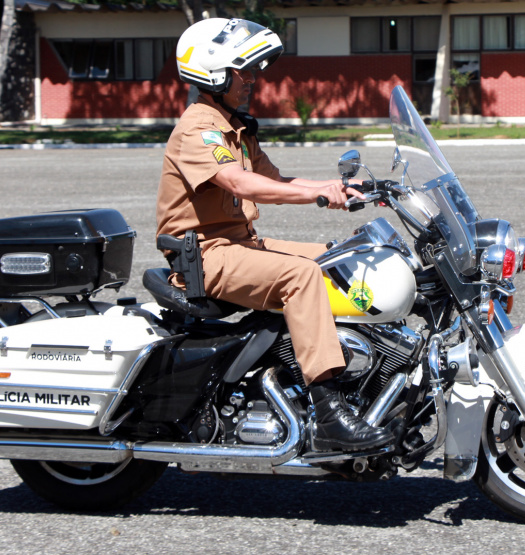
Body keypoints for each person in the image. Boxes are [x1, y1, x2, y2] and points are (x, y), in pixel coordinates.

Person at [155, 18, 390, 451]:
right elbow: (242, 184)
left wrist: (336, 188)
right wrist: (317, 197)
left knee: (339, 258)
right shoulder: (199, 129)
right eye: (245, 71)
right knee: (300, 277)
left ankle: (369, 373)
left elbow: (277, 179)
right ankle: (328, 413)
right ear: (215, 73)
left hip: (238, 245)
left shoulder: (234, 127)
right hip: (204, 255)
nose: (254, 80)